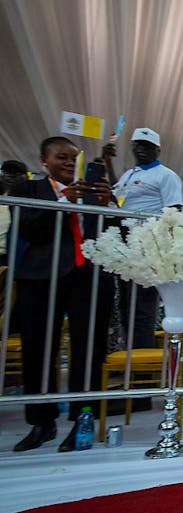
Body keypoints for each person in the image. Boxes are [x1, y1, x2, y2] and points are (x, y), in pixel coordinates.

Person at [9, 136, 116, 452]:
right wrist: (65, 202)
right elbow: (30, 228)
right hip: (42, 278)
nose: (69, 162)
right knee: (40, 351)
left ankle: (83, 417)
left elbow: (116, 232)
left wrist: (110, 205)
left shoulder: (93, 190)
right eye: (61, 156)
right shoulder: (29, 190)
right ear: (44, 160)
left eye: (73, 157)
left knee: (89, 351)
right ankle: (42, 422)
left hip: (89, 279)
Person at [103, 127, 183, 350]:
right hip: (126, 244)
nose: (141, 149)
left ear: (158, 150)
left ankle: (141, 369)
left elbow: (174, 212)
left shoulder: (166, 176)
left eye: (147, 146)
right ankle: (130, 359)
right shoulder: (130, 174)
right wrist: (108, 163)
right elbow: (117, 196)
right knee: (127, 306)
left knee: (142, 309)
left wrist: (159, 249)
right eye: (137, 144)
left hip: (149, 245)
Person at [1, 159, 29, 266]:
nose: (11, 176)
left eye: (17, 173)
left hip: (16, 260)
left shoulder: (30, 205)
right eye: (7, 172)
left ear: (26, 176)